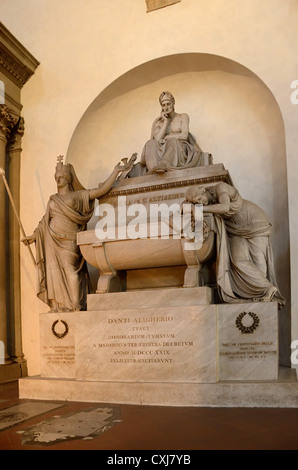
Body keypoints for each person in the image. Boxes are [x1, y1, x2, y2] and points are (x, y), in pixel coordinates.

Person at [22, 155, 136, 312]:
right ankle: (62, 305)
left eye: (62, 177)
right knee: (55, 272)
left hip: (69, 240)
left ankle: (76, 305)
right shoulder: (52, 199)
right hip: (52, 240)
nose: (58, 180)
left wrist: (116, 171)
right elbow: (44, 222)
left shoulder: (78, 195)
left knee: (70, 270)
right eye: (57, 177)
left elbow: (100, 191)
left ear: (68, 179)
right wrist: (33, 236)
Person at [185, 182, 285, 307]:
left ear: (203, 190)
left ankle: (263, 294)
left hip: (254, 221)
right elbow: (185, 206)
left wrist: (199, 209)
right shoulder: (206, 203)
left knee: (258, 262)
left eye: (200, 199)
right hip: (234, 229)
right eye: (197, 202)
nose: (201, 203)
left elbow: (225, 207)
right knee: (238, 261)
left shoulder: (221, 187)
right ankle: (267, 289)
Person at [140, 91, 206, 174]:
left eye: (168, 104)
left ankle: (165, 164)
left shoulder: (183, 116)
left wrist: (167, 137)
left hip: (179, 149)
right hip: (162, 150)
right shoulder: (159, 122)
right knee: (150, 143)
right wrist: (166, 122)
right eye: (163, 105)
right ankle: (153, 170)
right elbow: (156, 140)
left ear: (173, 103)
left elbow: (184, 136)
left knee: (172, 141)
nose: (166, 107)